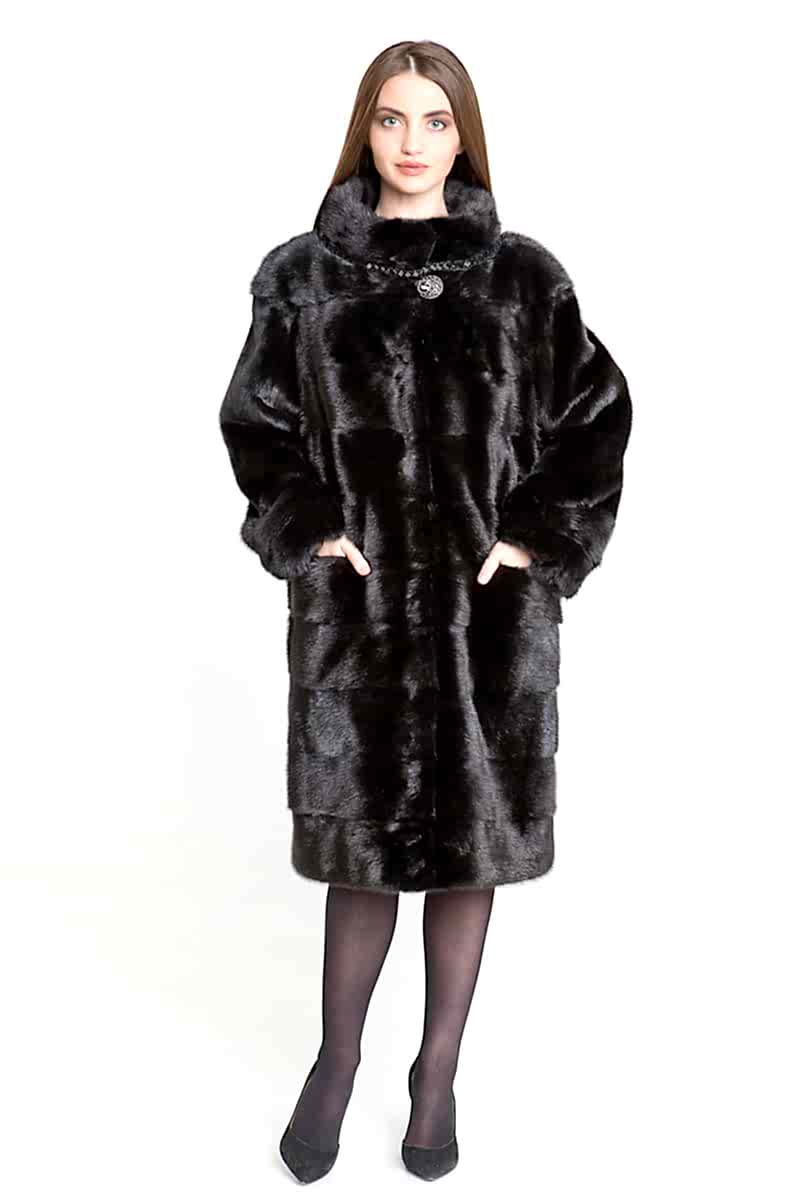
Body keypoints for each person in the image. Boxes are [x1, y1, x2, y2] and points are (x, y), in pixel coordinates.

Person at [219, 39, 632, 1184]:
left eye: (435, 121)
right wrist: (309, 529)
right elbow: (258, 423)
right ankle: (337, 1063)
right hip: (358, 622)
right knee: (359, 855)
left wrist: (534, 540)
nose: (412, 142)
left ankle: (436, 1073)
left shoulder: (525, 278)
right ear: (366, 129)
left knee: (468, 852)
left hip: (487, 621)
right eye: (393, 118)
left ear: (463, 135)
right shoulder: (301, 277)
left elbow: (597, 415)